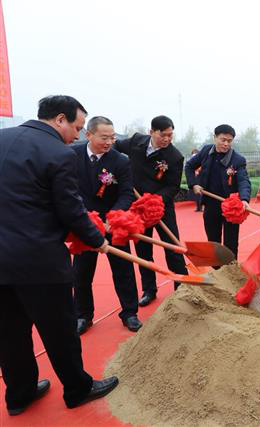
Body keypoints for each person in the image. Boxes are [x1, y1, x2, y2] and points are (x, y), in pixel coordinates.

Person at [0, 96, 118, 415]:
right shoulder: (58, 153)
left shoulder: (2, 138)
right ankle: (77, 388)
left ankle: (19, 394)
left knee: (9, 331)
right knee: (60, 329)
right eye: (78, 128)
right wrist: (97, 240)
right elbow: (70, 209)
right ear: (60, 119)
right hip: (38, 260)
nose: (77, 136)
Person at [70, 116, 142, 335]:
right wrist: (82, 216)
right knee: (81, 272)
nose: (109, 142)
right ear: (88, 135)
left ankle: (130, 313)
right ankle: (83, 315)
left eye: (112, 137)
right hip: (84, 223)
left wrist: (113, 217)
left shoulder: (120, 160)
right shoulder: (71, 155)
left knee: (123, 269)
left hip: (113, 225)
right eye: (104, 137)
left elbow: (126, 193)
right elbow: (66, 190)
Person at [115, 115, 188, 306]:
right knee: (143, 249)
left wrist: (154, 201)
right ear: (151, 132)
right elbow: (114, 148)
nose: (167, 139)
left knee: (172, 247)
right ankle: (149, 289)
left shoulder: (174, 156)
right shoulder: (135, 141)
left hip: (161, 207)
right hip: (137, 207)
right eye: (163, 135)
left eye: (170, 135)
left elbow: (173, 186)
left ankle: (182, 288)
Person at [185, 124, 251, 257]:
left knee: (231, 243)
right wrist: (194, 184)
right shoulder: (206, 151)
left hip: (230, 207)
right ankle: (216, 269)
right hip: (211, 204)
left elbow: (243, 181)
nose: (226, 144)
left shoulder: (238, 160)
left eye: (229, 141)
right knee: (213, 242)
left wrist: (244, 199)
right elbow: (189, 166)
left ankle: (231, 269)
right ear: (214, 137)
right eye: (223, 140)